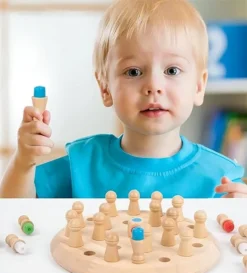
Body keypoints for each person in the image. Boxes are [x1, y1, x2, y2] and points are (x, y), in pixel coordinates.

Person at [1, 0, 247, 199]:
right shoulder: (81, 165)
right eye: (133, 72)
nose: (153, 86)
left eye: (172, 71)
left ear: (199, 86)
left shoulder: (221, 179)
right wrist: (24, 161)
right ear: (105, 88)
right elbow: (14, 215)